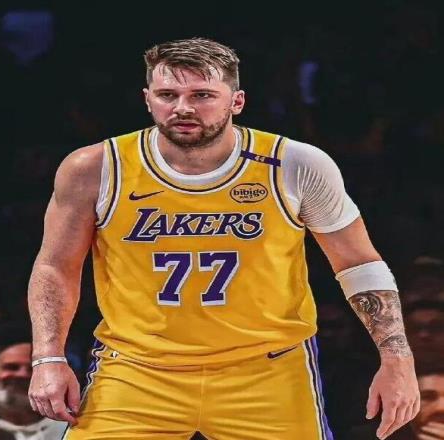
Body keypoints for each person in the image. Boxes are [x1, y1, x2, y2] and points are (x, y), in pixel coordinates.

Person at [27, 37, 419, 440]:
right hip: (136, 368)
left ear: (237, 101)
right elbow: (55, 266)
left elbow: (358, 263)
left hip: (267, 369)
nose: (182, 108)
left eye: (202, 95)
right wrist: (47, 358)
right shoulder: (95, 167)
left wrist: (398, 359)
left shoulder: (295, 164)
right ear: (147, 100)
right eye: (167, 95)